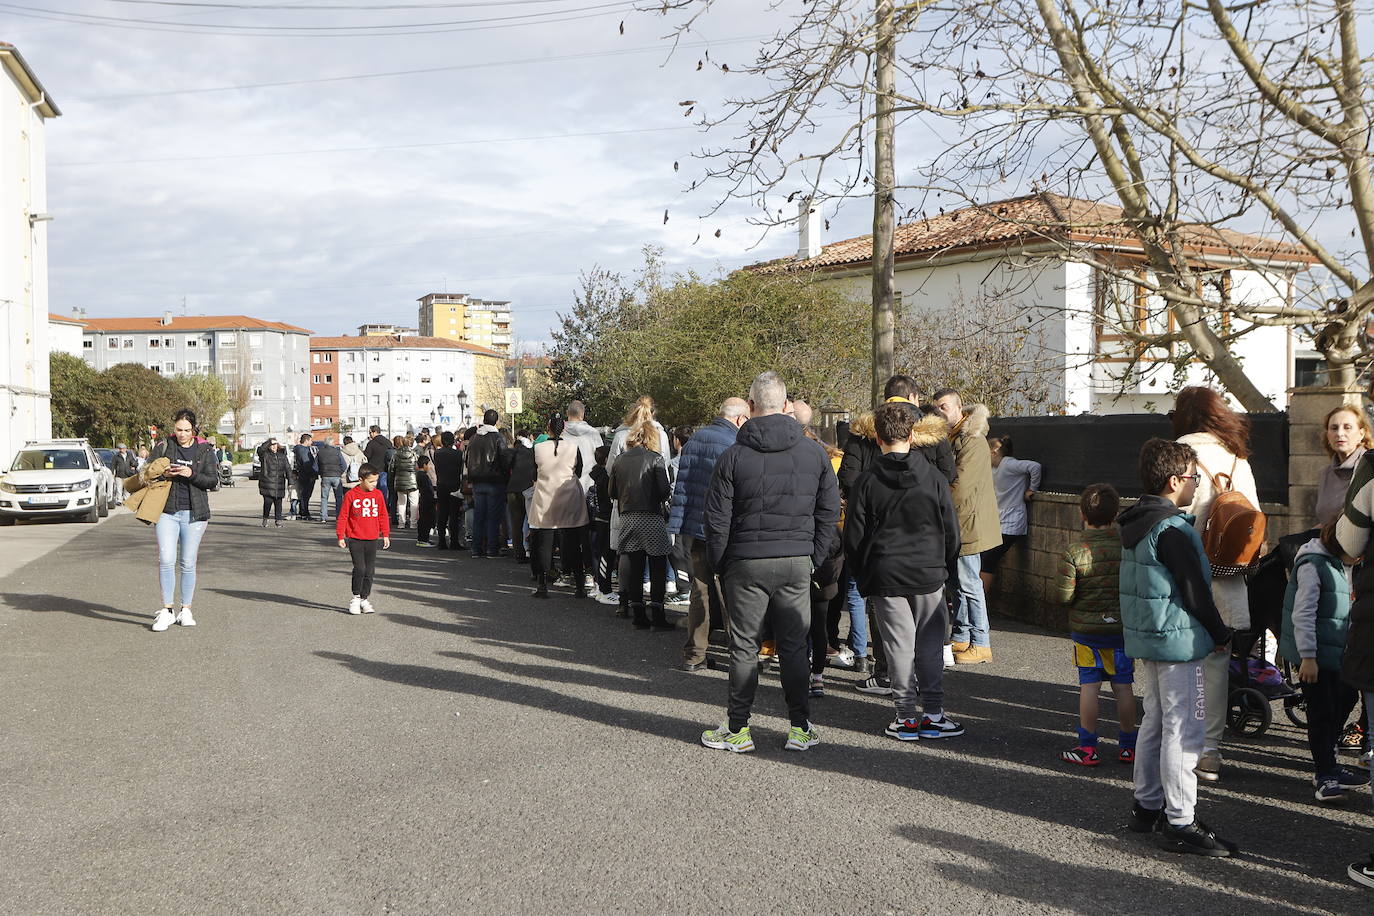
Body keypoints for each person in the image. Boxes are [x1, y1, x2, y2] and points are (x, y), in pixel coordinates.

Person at [700, 371, 840, 754]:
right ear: (786, 405)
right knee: (794, 647)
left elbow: (716, 518)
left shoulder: (733, 455)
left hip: (745, 561)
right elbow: (829, 510)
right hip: (796, 559)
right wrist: (814, 554)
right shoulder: (814, 452)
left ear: (750, 407)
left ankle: (738, 729)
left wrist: (720, 563)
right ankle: (800, 727)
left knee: (744, 646)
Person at [1119, 438, 1236, 857]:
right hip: (1179, 641)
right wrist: (1221, 634)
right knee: (1185, 728)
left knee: (1156, 722)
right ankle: (1181, 819)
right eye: (1192, 478)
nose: (1194, 486)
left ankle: (1147, 806)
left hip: (1151, 638)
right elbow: (1195, 592)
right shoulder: (1172, 528)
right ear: (1174, 481)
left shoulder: (1136, 522)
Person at [842, 402, 962, 740]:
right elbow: (952, 531)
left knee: (897, 646)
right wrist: (945, 571)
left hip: (885, 572)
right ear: (913, 435)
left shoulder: (866, 481)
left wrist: (864, 575)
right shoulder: (935, 478)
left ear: (877, 439)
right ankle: (935, 714)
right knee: (929, 644)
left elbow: (854, 535)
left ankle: (906, 716)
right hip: (928, 571)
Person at [1172, 385, 1258, 783]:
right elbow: (1253, 514)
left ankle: (1177, 743)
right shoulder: (1236, 456)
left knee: (1177, 660)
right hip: (1226, 576)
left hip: (1186, 573)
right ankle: (1210, 750)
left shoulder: (1180, 450)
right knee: (1216, 664)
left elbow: (1171, 515)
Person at [1279, 520, 1366, 803]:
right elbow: (1303, 615)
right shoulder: (1313, 565)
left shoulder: (1343, 565)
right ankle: (1325, 774)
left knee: (1345, 698)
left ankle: (1329, 762)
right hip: (1314, 657)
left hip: (1334, 652)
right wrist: (1308, 658)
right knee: (1321, 713)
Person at [1056, 483, 1137, 766]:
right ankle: (1129, 747)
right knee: (1123, 687)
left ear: (1082, 513)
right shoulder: (1127, 548)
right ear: (1115, 514)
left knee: (1089, 687)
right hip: (1121, 632)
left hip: (1087, 633)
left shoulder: (1073, 551)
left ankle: (1087, 747)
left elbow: (1064, 595)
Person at [668, 397, 748, 671]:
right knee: (731, 593)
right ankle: (738, 654)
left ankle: (694, 655)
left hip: (695, 526)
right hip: (723, 530)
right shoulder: (733, 444)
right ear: (739, 419)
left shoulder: (696, 439)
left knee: (699, 592)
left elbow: (683, 486)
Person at [932, 389, 1002, 666]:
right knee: (957, 584)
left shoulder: (972, 441)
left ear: (960, 408)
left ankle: (982, 642)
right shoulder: (954, 437)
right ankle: (962, 635)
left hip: (967, 522)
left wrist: (936, 504)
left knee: (970, 584)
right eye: (937, 407)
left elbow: (960, 487)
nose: (940, 412)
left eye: (945, 406)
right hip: (960, 521)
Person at [149, 409, 219, 633]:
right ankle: (167, 611)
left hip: (194, 514)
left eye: (187, 430)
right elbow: (147, 472)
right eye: (179, 430)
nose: (182, 434)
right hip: (166, 512)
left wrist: (191, 474)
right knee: (166, 559)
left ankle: (186, 609)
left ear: (194, 430)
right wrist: (165, 474)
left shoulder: (205, 450)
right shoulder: (163, 446)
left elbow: (212, 481)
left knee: (188, 563)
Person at [608, 409, 674, 630]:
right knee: (657, 564)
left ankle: (638, 613)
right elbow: (664, 490)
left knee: (634, 566)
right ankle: (658, 613)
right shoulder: (656, 459)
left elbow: (612, 492)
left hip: (627, 517)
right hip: (651, 516)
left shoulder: (620, 460)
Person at [529, 414, 589, 599]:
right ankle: (579, 585)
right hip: (569, 496)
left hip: (545, 496)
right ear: (563, 428)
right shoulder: (573, 447)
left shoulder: (538, 448)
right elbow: (578, 470)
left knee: (544, 543)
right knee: (572, 542)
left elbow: (534, 473)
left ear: (548, 428)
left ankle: (542, 585)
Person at [982, 435, 1041, 591]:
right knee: (984, 558)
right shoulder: (993, 468)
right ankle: (976, 601)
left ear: (994, 452)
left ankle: (978, 602)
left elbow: (1035, 467)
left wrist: (1031, 489)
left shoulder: (1009, 464)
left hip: (1012, 522)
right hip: (999, 522)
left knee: (988, 560)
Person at [336, 463, 391, 615]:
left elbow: (383, 515)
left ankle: (364, 598)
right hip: (355, 538)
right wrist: (341, 535)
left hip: (372, 538)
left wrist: (385, 534)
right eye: (371, 481)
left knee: (370, 571)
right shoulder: (351, 495)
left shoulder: (378, 495)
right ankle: (355, 597)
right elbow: (343, 516)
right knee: (360, 568)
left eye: (376, 481)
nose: (374, 484)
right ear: (361, 480)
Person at [1317, 404, 1373, 527]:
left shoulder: (1370, 469)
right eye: (1334, 428)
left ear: (1361, 434)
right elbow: (1326, 524)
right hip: (1329, 543)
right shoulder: (1326, 474)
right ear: (1328, 435)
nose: (1340, 433)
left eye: (1347, 427)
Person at [466, 409, 510, 559]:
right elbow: (504, 459)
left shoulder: (473, 438)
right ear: (496, 421)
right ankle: (492, 549)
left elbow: (467, 460)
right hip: (495, 481)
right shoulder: (498, 438)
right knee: (493, 517)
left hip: (477, 481)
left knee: (479, 516)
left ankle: (476, 549)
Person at [588, 445, 617, 604]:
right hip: (606, 519)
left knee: (598, 555)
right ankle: (605, 590)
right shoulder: (605, 478)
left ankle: (599, 586)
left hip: (597, 518)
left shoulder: (596, 476)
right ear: (607, 459)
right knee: (606, 555)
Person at [431, 431, 465, 550]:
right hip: (454, 485)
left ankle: (441, 541)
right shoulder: (458, 454)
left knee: (442, 513)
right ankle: (454, 541)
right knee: (454, 515)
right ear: (452, 441)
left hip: (441, 485)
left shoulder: (437, 454)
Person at [507, 429, 536, 564]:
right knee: (532, 522)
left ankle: (519, 553)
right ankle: (533, 550)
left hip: (513, 489)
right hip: (528, 488)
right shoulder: (532, 453)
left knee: (516, 523)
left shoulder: (512, 453)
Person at [256, 439, 291, 528]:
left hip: (279, 483)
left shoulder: (282, 456)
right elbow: (260, 450)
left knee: (278, 504)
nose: (273, 446)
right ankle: (265, 519)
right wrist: (269, 441)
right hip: (267, 484)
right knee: (267, 503)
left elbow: (288, 469)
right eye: (272, 445)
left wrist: (290, 481)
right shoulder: (265, 455)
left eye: (275, 444)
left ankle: (278, 521)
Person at [388, 435, 418, 529]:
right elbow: (417, 468)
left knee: (401, 503)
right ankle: (413, 523)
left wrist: (393, 479)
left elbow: (391, 469)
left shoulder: (396, 454)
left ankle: (401, 523)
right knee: (414, 503)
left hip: (400, 480)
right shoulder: (414, 454)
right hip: (412, 480)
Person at [315, 434, 346, 523]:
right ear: (332, 443)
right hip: (336, 476)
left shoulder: (320, 452)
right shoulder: (337, 452)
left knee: (324, 497)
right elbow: (344, 465)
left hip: (325, 476)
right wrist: (339, 473)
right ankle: (339, 517)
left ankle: (323, 517)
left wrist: (321, 473)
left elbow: (315, 466)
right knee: (338, 497)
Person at [293, 434, 318, 521]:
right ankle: (304, 513)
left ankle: (303, 512)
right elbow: (306, 463)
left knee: (304, 495)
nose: (312, 442)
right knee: (305, 495)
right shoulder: (303, 450)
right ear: (306, 440)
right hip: (306, 476)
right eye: (310, 440)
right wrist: (312, 474)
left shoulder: (299, 449)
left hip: (303, 475)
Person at [363, 425, 390, 506]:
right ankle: (384, 506)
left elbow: (366, 455)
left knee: (372, 489)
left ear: (375, 432)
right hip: (385, 469)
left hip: (373, 470)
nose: (369, 434)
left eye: (370, 432)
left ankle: (374, 505)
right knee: (384, 489)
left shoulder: (371, 443)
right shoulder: (388, 442)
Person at [415, 455, 437, 547]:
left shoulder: (420, 475)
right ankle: (423, 539)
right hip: (427, 500)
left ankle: (424, 539)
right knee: (426, 521)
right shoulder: (423, 476)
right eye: (428, 464)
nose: (429, 467)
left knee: (424, 520)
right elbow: (427, 489)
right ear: (424, 465)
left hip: (424, 500)